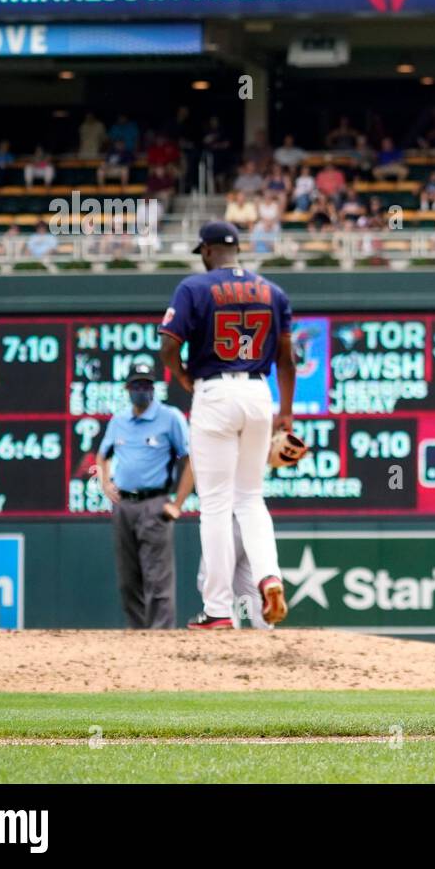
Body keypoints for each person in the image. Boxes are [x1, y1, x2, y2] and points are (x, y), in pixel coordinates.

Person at [158, 221, 295, 630]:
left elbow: (167, 346)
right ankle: (269, 575)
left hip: (215, 392)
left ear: (206, 251)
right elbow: (287, 360)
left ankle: (218, 610)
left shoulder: (193, 288)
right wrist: (284, 413)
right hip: (258, 393)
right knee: (251, 499)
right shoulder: (273, 291)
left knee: (216, 505)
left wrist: (182, 375)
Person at [97, 358, 193, 629]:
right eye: (137, 384)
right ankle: (138, 639)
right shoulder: (119, 421)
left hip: (154, 503)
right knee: (129, 580)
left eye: (147, 384)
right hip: (124, 504)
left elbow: (190, 461)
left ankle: (160, 641)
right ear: (128, 388)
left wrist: (178, 503)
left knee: (157, 579)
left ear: (154, 388)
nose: (142, 389)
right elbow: (102, 455)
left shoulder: (170, 417)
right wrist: (105, 484)